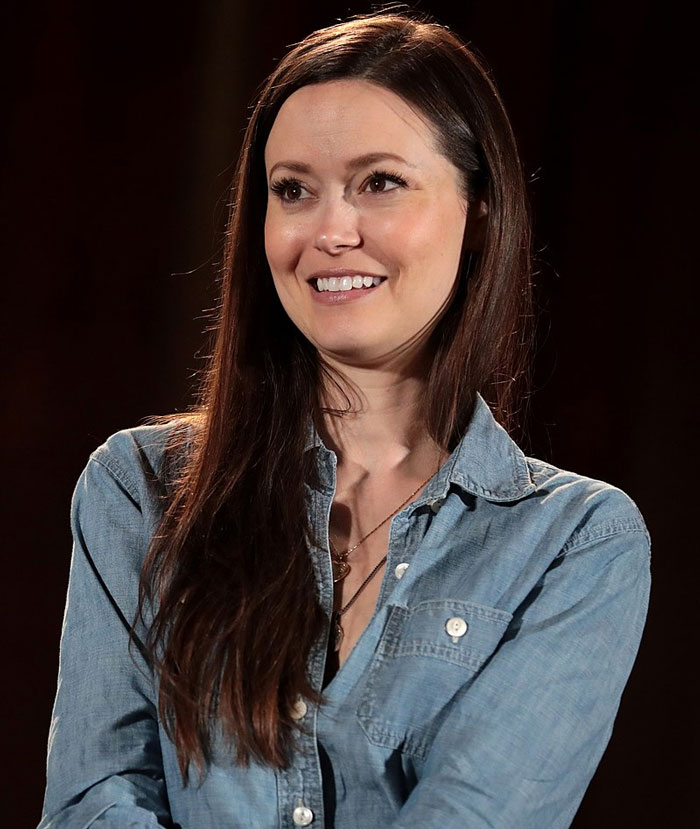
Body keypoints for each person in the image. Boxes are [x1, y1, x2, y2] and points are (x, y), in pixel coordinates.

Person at [39, 8, 651, 828]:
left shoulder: (577, 542)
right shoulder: (141, 488)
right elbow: (93, 803)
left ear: (480, 215)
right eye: (293, 190)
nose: (329, 231)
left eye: (380, 183)